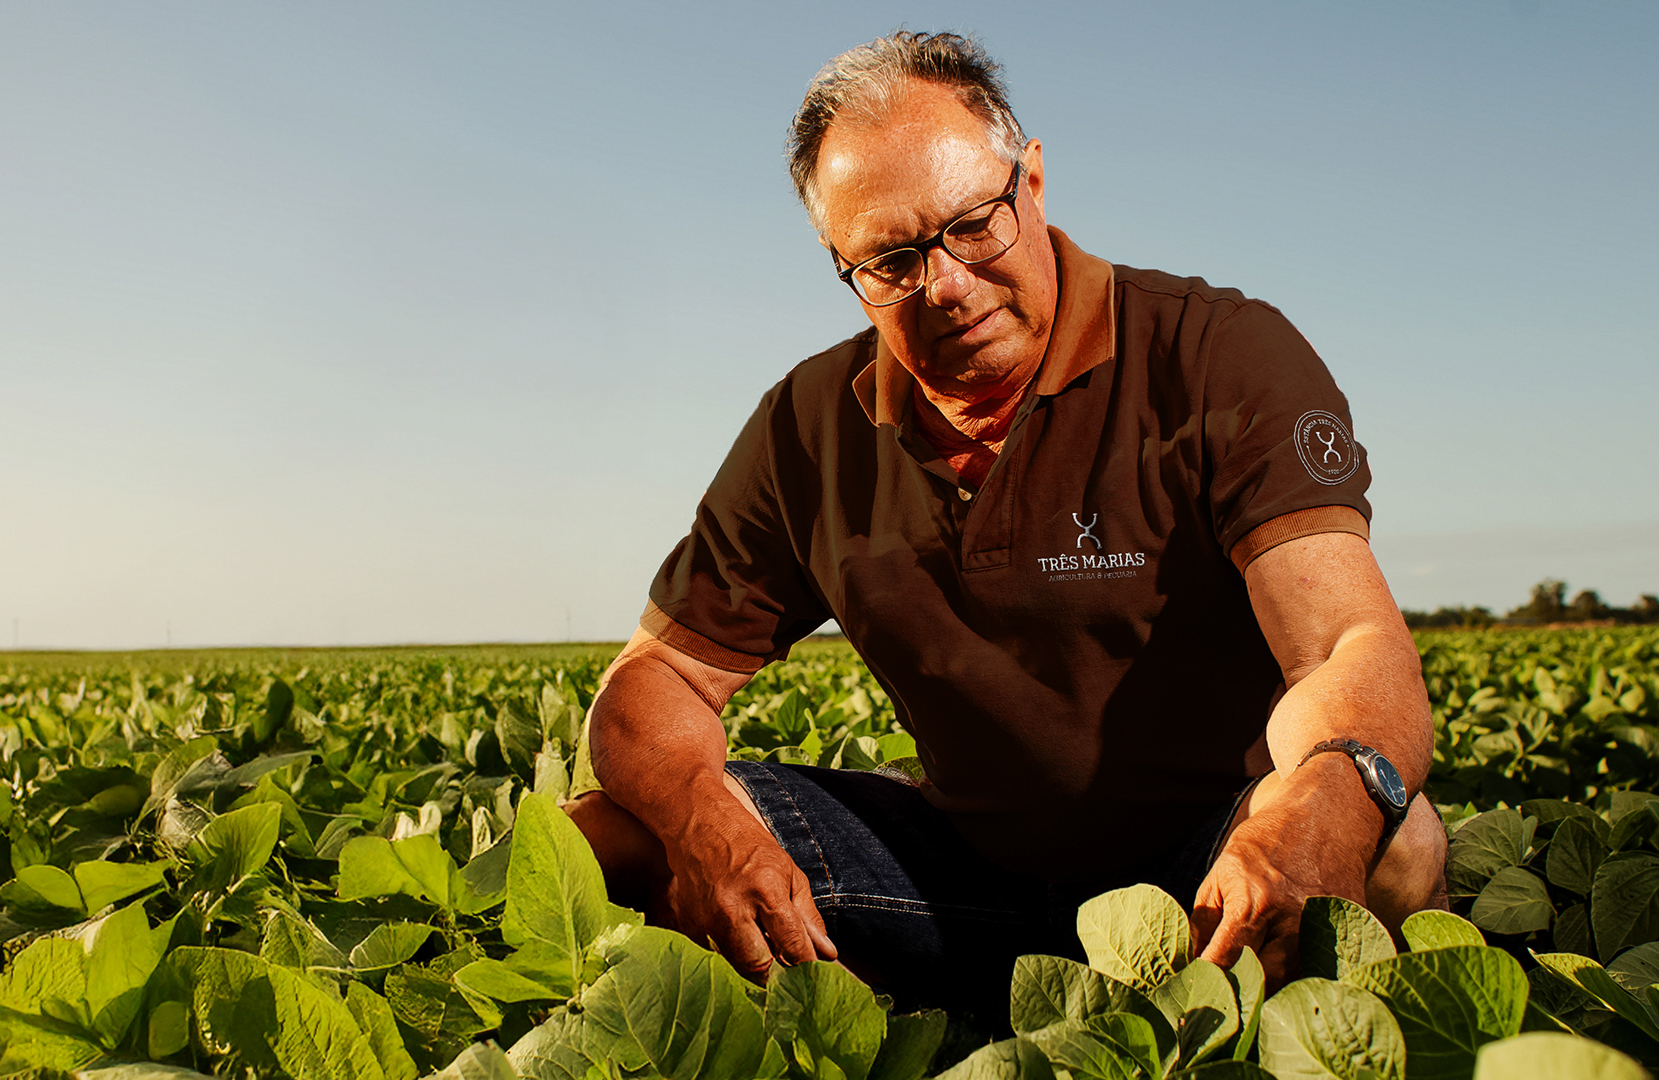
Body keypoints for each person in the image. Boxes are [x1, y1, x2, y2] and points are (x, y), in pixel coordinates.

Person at [567, 30, 1447, 1022]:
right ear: (841, 264)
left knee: (1396, 842)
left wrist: (1323, 803)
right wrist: (700, 828)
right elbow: (657, 682)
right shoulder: (808, 425)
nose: (943, 284)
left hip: (1212, 868)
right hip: (962, 877)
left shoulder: (1215, 353)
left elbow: (1347, 642)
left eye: (971, 225)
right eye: (891, 261)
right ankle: (867, 1020)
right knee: (609, 838)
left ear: (1031, 181)